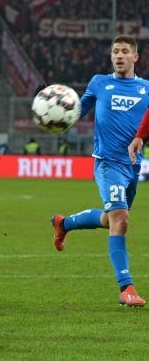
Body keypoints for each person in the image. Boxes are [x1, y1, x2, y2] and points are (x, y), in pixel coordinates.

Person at [51, 35, 149, 307]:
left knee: (110, 219)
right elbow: (76, 113)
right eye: (115, 51)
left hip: (132, 165)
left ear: (135, 57)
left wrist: (141, 136)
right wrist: (52, 105)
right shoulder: (99, 83)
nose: (119, 55)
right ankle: (126, 288)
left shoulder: (146, 88)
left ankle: (64, 223)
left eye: (125, 51)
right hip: (107, 163)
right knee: (121, 220)